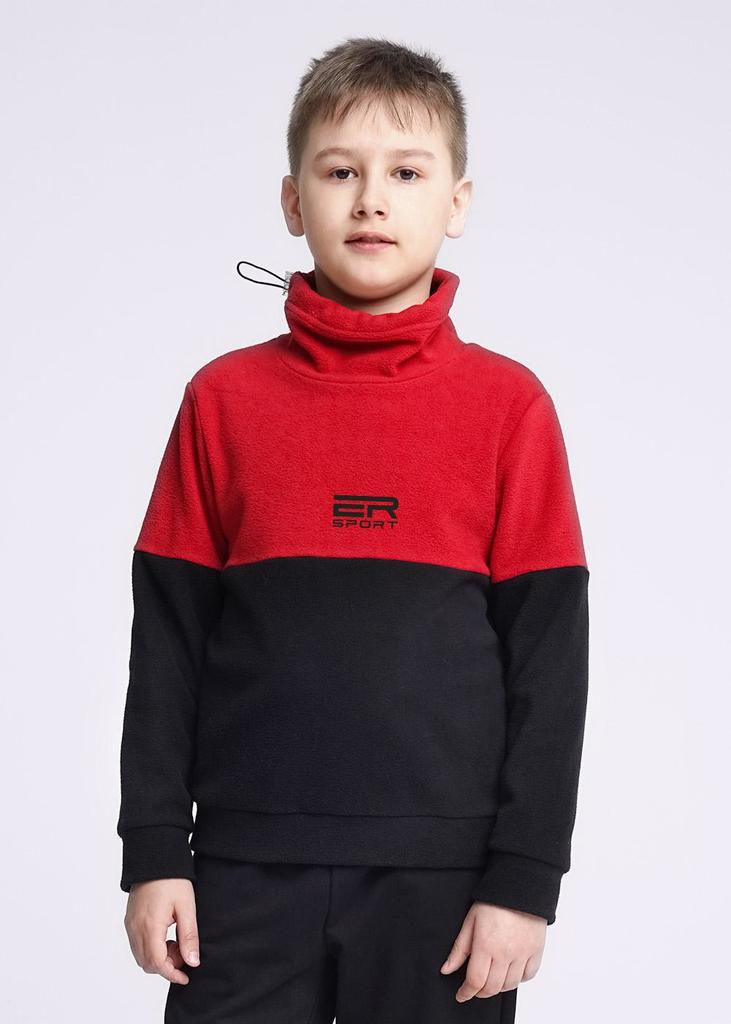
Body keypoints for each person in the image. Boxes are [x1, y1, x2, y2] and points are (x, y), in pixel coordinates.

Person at [117, 36, 590, 1024]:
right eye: (340, 172)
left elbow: (548, 666)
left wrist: (524, 878)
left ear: (455, 202)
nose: (371, 200)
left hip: (445, 881)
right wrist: (155, 851)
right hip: (240, 869)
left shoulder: (509, 408)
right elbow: (166, 646)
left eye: (405, 173)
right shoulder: (222, 401)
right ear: (293, 201)